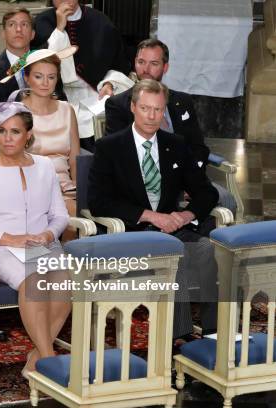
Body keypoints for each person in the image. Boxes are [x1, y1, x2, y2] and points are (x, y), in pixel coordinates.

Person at [88, 79, 219, 342]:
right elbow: (98, 201)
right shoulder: (109, 147)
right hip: (132, 234)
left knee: (209, 250)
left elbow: (207, 192)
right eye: (146, 108)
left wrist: (185, 215)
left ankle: (214, 333)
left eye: (158, 110)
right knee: (175, 255)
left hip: (173, 231)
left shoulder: (176, 145)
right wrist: (150, 216)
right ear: (133, 107)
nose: (151, 116)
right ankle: (177, 338)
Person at [0, 99, 70, 376]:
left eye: (15, 131)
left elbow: (60, 216)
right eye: (1, 131)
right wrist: (10, 238)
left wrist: (48, 233)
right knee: (34, 282)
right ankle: (49, 360)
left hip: (40, 244)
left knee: (66, 281)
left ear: (28, 135)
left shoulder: (45, 166)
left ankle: (37, 355)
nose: (7, 138)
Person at [104, 38, 237, 215]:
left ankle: (201, 238)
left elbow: (198, 146)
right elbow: (118, 153)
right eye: (141, 62)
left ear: (165, 67)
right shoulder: (119, 104)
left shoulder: (182, 101)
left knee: (224, 199)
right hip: (145, 181)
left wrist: (192, 181)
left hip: (187, 176)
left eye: (154, 63)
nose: (146, 69)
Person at [31, 0, 131, 150]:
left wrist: (109, 83)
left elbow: (119, 64)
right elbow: (34, 63)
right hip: (55, 97)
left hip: (94, 96)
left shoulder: (101, 22)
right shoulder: (41, 22)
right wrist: (59, 29)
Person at [7, 48, 80, 221]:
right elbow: (10, 161)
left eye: (51, 77)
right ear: (27, 78)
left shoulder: (67, 109)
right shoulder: (15, 112)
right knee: (67, 213)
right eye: (39, 76)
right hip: (29, 187)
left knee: (75, 210)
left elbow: (75, 160)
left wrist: (78, 188)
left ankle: (66, 246)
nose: (45, 83)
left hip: (67, 189)